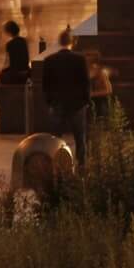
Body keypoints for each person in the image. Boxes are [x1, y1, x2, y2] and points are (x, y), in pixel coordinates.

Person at [42, 27, 92, 168]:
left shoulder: (49, 60)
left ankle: (56, 164)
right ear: (73, 42)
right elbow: (85, 82)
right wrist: (85, 101)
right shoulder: (80, 59)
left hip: (57, 104)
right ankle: (81, 166)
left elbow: (46, 85)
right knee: (80, 138)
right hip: (77, 105)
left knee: (55, 139)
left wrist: (50, 102)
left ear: (59, 42)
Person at [87, 55, 116, 123]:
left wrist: (92, 94)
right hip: (89, 104)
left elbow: (108, 90)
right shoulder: (85, 72)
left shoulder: (101, 73)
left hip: (99, 103)